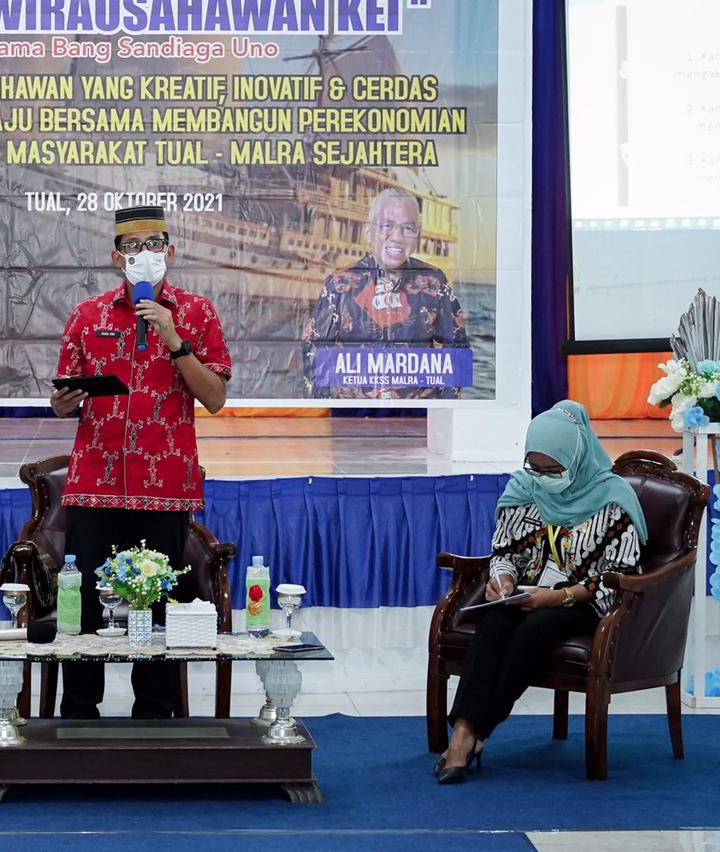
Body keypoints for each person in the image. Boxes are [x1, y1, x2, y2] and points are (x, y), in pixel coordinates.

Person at [49, 205, 231, 719]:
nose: (143, 254)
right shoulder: (88, 316)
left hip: (165, 486)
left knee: (154, 600)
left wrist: (176, 342)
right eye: (132, 247)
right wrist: (62, 402)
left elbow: (215, 398)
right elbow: (64, 398)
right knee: (86, 601)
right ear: (116, 257)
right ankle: (78, 714)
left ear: (170, 251)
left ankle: (153, 713)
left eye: (153, 245)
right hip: (95, 484)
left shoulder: (197, 312)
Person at [435, 400, 648, 784]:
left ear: (576, 457)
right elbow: (504, 552)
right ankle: (465, 733)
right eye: (536, 467)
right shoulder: (523, 488)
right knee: (494, 620)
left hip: (586, 600)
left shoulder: (612, 498)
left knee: (534, 630)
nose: (543, 478)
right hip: (528, 593)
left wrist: (559, 597)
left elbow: (619, 574)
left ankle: (473, 735)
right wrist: (503, 580)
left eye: (553, 470)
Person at [302, 187, 469, 399]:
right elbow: (313, 349)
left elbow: (457, 349)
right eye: (386, 226)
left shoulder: (434, 282)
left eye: (408, 228)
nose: (397, 237)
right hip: (354, 415)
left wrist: (442, 409)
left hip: (418, 415)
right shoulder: (339, 284)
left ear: (417, 234)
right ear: (368, 232)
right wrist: (331, 410)